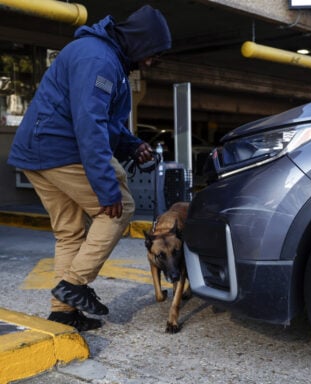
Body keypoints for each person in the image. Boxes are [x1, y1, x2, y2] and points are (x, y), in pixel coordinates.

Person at [7, 5, 171, 331]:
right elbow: (90, 124)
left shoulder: (104, 56)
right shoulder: (99, 60)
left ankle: (63, 312)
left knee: (70, 233)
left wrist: (130, 144)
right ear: (139, 42)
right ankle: (74, 284)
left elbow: (103, 121)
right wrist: (106, 187)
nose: (151, 61)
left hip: (40, 152)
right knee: (119, 207)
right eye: (152, 53)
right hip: (60, 151)